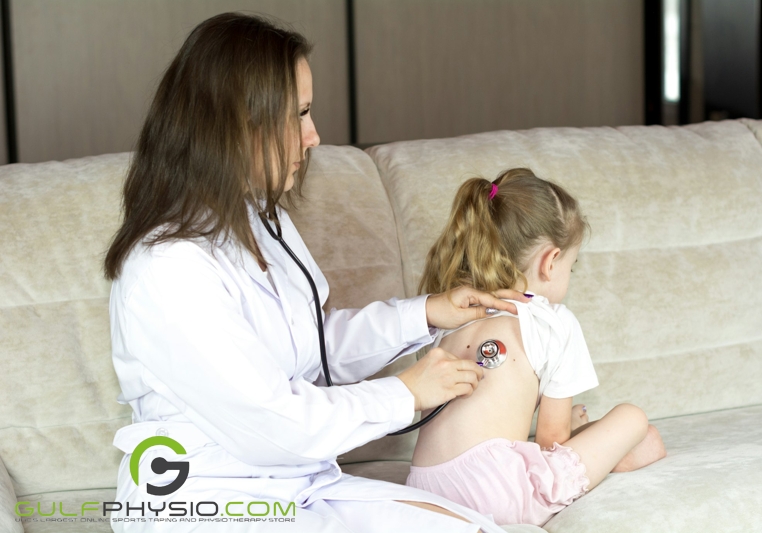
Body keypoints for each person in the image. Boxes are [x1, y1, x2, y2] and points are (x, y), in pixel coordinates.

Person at [103, 12, 529, 533]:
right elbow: (272, 421)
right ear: (238, 122)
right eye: (299, 114)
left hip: (296, 485)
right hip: (209, 504)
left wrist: (427, 313)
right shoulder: (167, 269)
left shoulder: (259, 219)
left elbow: (310, 349)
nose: (314, 136)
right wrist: (406, 392)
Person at [406, 169, 667, 527]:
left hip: (423, 491)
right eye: (571, 268)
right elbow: (551, 443)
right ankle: (611, 453)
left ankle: (601, 445)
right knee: (634, 421)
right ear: (550, 261)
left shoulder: (451, 311)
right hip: (496, 496)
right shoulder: (553, 321)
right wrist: (579, 436)